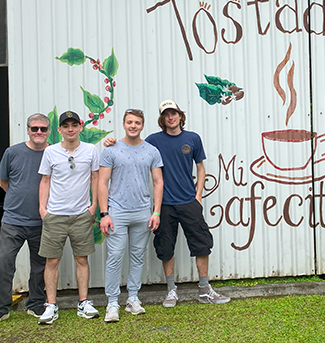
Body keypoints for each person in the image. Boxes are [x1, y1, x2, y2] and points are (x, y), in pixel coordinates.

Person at [105, 100, 229, 307]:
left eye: (174, 113)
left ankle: (204, 289)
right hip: (164, 206)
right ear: (162, 119)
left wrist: (198, 196)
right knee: (165, 247)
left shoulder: (193, 138)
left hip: (189, 202)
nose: (171, 117)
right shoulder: (154, 141)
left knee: (201, 244)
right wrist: (112, 142)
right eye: (166, 115)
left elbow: (200, 168)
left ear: (180, 115)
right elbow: (132, 145)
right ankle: (171, 291)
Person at [0, 114, 50, 326]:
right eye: (35, 128)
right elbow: (3, 181)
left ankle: (36, 304)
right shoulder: (12, 152)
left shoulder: (54, 153)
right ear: (28, 130)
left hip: (41, 221)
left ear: (49, 131)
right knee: (4, 263)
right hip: (13, 220)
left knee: (39, 266)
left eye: (43, 129)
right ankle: (0, 309)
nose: (39, 132)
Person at [98, 109, 163, 323]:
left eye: (137, 122)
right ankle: (112, 302)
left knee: (137, 256)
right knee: (115, 257)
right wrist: (104, 213)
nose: (133, 126)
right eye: (129, 122)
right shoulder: (111, 149)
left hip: (143, 212)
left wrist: (156, 212)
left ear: (142, 125)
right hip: (116, 211)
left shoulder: (152, 151)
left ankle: (133, 298)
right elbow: (102, 183)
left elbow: (157, 182)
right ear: (124, 124)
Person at [37, 111, 100, 324]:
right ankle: (51, 305)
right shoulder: (51, 152)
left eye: (74, 125)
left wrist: (93, 206)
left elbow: (95, 178)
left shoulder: (91, 150)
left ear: (80, 127)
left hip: (81, 214)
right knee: (52, 260)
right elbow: (45, 180)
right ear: (60, 130)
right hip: (55, 214)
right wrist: (43, 209)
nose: (70, 129)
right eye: (66, 126)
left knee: (82, 259)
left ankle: (83, 302)